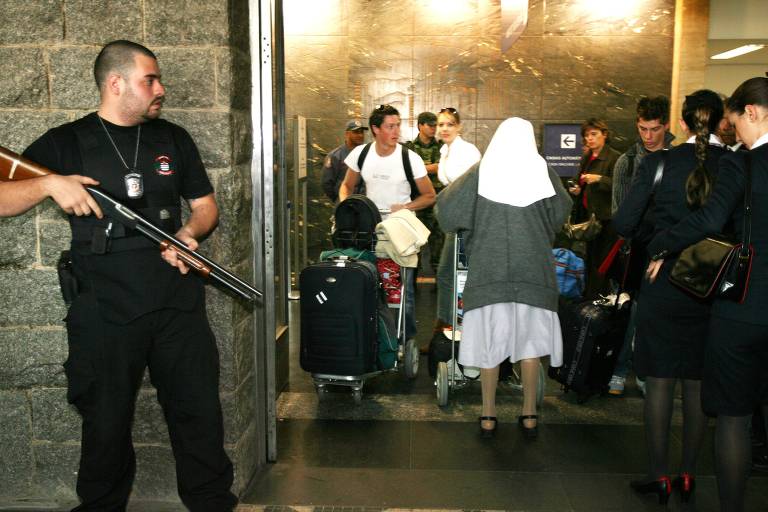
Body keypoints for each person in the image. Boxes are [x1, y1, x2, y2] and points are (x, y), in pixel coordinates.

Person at [0, 40, 237, 510]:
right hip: (104, 304)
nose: (161, 88)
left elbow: (206, 207)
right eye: (150, 80)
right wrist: (48, 184)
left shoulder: (173, 138)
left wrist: (188, 234)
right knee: (105, 419)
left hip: (176, 300)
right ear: (115, 83)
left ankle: (211, 503)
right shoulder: (66, 141)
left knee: (198, 412)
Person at [645, 77, 768, 511]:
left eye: (738, 125)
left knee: (734, 418)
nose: (737, 136)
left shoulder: (744, 164)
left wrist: (662, 245)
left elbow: (711, 219)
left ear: (752, 112)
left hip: (746, 307)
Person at [614, 89, 728, 506]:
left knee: (660, 380)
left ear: (680, 123)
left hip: (662, 281)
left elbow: (624, 222)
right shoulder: (735, 164)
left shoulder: (659, 163)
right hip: (712, 284)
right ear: (721, 122)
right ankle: (688, 474)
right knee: (696, 381)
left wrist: (658, 241)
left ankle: (658, 474)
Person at [435, 118, 571, 439]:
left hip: (489, 273)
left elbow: (447, 212)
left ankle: (488, 414)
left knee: (489, 345)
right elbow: (561, 213)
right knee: (530, 345)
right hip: (534, 273)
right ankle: (529, 414)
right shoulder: (542, 171)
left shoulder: (480, 172)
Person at [339, 104, 436, 340]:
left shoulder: (409, 158)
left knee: (403, 291)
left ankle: (406, 339)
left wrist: (405, 207)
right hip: (367, 232)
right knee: (367, 285)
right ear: (376, 129)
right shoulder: (361, 154)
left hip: (399, 234)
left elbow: (429, 196)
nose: (396, 131)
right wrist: (347, 208)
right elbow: (346, 186)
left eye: (398, 126)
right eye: (390, 126)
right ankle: (371, 338)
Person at [608, 96, 674, 397]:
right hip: (634, 248)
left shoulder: (680, 157)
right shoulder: (628, 161)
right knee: (629, 312)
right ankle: (620, 370)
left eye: (655, 129)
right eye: (643, 129)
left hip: (669, 249)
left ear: (667, 125)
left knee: (656, 317)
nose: (648, 136)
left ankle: (648, 372)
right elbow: (618, 213)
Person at [433, 107, 481, 329]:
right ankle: (451, 323)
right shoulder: (446, 150)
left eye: (450, 124)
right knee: (451, 274)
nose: (444, 128)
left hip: (465, 220)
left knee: (449, 274)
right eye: (441, 124)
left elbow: (472, 187)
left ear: (459, 127)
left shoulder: (467, 151)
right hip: (453, 217)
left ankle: (451, 324)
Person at [567, 118, 620, 298]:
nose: (589, 138)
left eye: (594, 134)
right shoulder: (586, 157)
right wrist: (577, 189)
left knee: (603, 261)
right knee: (589, 259)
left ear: (604, 135)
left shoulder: (615, 157)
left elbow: (621, 186)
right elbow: (580, 182)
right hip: (588, 218)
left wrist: (599, 179)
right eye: (586, 135)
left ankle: (599, 297)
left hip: (606, 219)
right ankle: (589, 295)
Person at [405, 111, 443, 276]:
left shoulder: (442, 147)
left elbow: (442, 167)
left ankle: (438, 281)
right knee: (414, 245)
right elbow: (407, 170)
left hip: (437, 201)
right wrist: (431, 167)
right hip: (417, 202)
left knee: (438, 245)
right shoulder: (409, 148)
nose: (434, 128)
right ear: (420, 125)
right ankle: (412, 280)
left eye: (435, 125)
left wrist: (419, 169)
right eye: (430, 125)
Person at [321, 119, 367, 202]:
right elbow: (327, 183)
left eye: (361, 132)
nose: (360, 135)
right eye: (356, 132)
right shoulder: (336, 156)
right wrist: (338, 199)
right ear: (347, 134)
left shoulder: (368, 153)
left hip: (364, 202)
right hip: (345, 202)